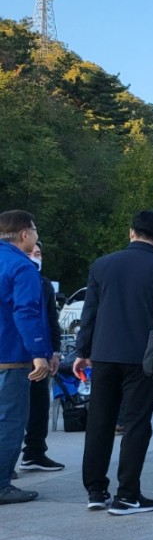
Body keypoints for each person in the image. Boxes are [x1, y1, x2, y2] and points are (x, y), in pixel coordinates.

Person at [75, 210, 153, 513]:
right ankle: (128, 494)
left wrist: (82, 351)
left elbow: (89, 314)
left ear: (131, 232)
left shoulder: (102, 265)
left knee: (99, 421)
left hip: (103, 353)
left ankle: (95, 490)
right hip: (143, 355)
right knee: (137, 423)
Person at [0, 211, 50, 504]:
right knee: (9, 420)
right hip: (10, 355)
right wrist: (39, 353)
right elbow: (26, 312)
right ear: (24, 234)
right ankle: (2, 483)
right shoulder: (22, 266)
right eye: (34, 230)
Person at [19, 241, 64, 472]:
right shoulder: (12, 276)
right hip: (15, 355)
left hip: (41, 355)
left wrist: (54, 352)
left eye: (38, 253)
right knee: (11, 410)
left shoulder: (44, 285)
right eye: (30, 252)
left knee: (39, 405)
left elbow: (51, 321)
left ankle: (34, 452)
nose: (35, 256)